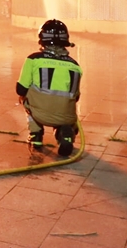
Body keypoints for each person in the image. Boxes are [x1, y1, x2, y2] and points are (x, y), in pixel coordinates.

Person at [16, 19, 83, 156]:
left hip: (40, 114)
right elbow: (76, 96)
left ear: (41, 39)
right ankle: (64, 134)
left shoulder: (33, 59)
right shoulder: (75, 66)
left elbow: (21, 89)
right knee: (64, 105)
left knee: (24, 97)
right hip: (67, 116)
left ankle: (36, 135)